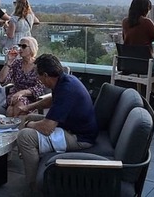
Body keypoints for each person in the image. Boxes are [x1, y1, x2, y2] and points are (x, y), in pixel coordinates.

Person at [16, 54, 97, 192]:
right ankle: (28, 155)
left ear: (46, 75)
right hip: (70, 127)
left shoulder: (67, 89)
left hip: (79, 137)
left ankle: (34, 186)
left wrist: (28, 125)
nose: (38, 79)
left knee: (25, 136)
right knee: (25, 118)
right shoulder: (64, 80)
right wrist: (28, 108)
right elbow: (52, 100)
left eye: (39, 76)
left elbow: (47, 128)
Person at [121, 0, 154, 103]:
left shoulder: (125, 22)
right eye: (149, 9)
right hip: (146, 66)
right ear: (145, 9)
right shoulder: (147, 22)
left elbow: (126, 41)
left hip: (128, 64)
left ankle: (152, 93)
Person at [0, 36, 47, 117]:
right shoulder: (16, 63)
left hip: (33, 99)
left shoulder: (38, 65)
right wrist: (9, 61)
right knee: (17, 103)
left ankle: (9, 126)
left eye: (23, 46)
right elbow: (2, 80)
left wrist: (22, 93)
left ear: (32, 49)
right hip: (14, 97)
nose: (20, 48)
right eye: (19, 46)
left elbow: (39, 88)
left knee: (11, 109)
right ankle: (16, 126)